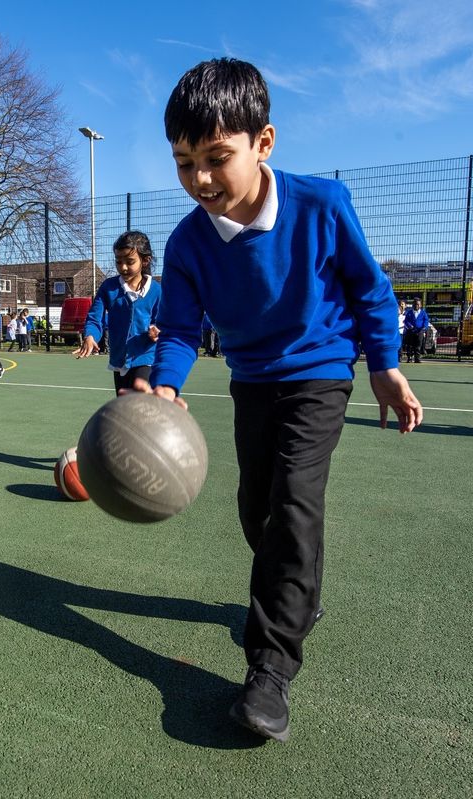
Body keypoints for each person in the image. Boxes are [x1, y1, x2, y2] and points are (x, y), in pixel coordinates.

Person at [141, 58, 422, 743]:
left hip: (321, 372)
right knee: (257, 509)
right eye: (184, 163)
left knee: (294, 501)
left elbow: (371, 290)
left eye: (215, 157)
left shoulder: (323, 204)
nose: (199, 179)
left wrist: (384, 364)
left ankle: (270, 667)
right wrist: (165, 384)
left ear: (263, 143)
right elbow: (179, 329)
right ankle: (298, 597)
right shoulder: (185, 244)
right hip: (252, 379)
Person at [74, 230, 162, 393]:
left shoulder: (157, 291)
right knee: (123, 410)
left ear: (145, 260)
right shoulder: (109, 287)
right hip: (119, 359)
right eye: (118, 261)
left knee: (139, 405)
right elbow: (95, 317)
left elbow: (162, 321)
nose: (123, 267)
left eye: (129, 261)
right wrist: (91, 336)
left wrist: (156, 330)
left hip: (146, 358)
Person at [402, 298, 429, 363]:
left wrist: (424, 327)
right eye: (415, 304)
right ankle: (409, 357)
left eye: (418, 304)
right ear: (412, 305)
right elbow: (406, 321)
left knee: (418, 345)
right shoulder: (409, 312)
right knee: (410, 345)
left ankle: (417, 358)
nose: (416, 306)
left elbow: (426, 320)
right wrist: (410, 326)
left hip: (420, 331)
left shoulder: (423, 313)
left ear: (420, 305)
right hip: (411, 331)